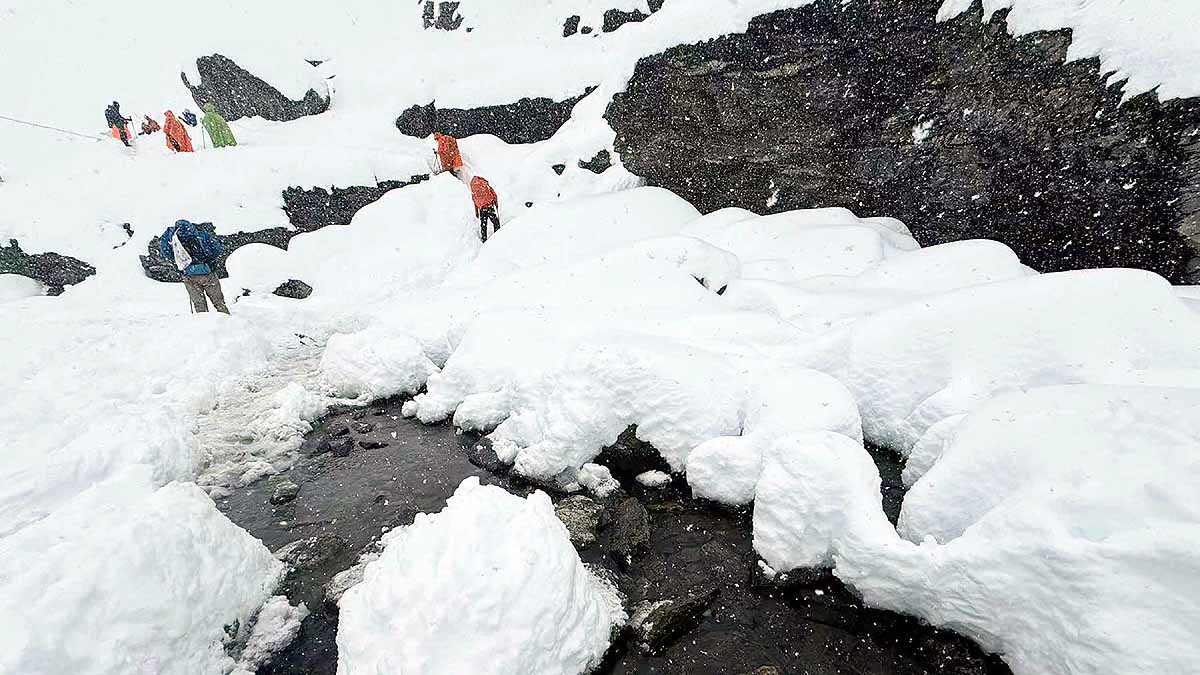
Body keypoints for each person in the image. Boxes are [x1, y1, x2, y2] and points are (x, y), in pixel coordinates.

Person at [159, 220, 229, 314]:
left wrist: (180, 263)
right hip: (207, 272)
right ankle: (226, 319)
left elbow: (167, 252)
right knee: (219, 302)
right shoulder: (201, 234)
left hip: (189, 274)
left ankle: (203, 322)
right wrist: (210, 261)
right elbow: (217, 249)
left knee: (199, 305)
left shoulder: (171, 236)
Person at [470, 176, 500, 242]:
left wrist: (477, 212)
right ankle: (498, 235)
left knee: (483, 224)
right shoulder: (485, 186)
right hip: (489, 206)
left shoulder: (475, 191)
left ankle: (484, 239)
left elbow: (475, 202)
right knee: (495, 222)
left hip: (482, 209)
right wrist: (496, 204)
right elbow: (494, 195)